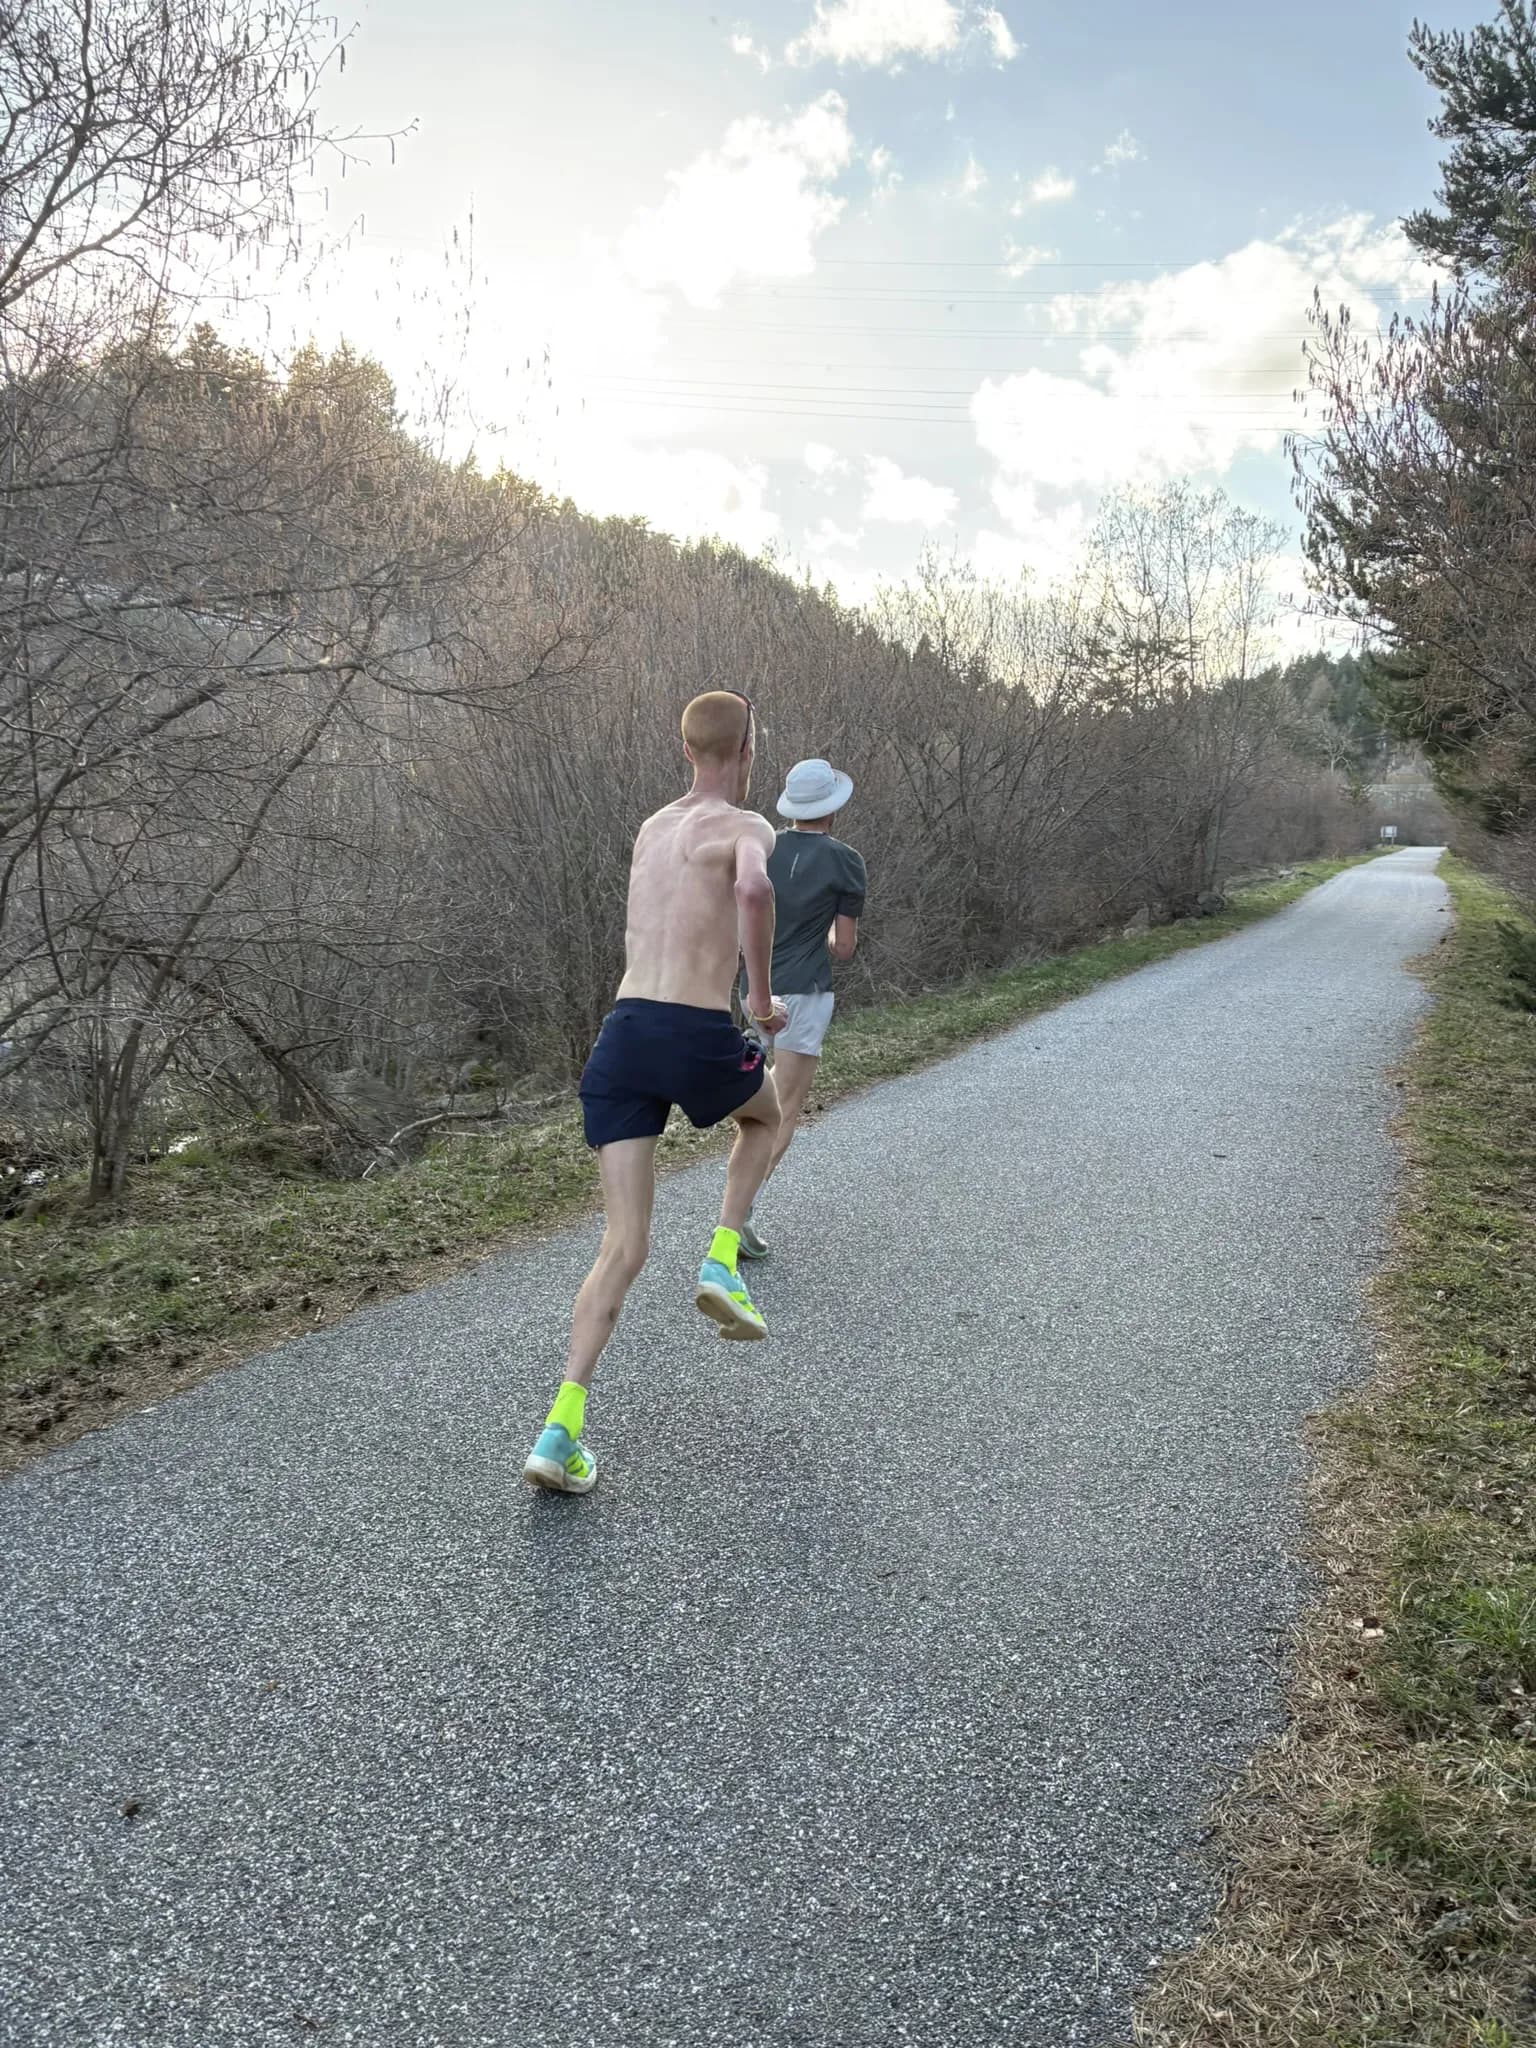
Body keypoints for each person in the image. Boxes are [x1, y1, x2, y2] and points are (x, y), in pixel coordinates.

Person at [522, 690, 787, 1496]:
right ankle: (722, 1258)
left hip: (624, 1031)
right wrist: (761, 999)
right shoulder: (749, 828)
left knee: (622, 1247)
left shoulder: (651, 827)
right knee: (767, 1116)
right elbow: (753, 892)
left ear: (685, 751)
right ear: (748, 751)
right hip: (694, 1026)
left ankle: (560, 1430)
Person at [737, 756, 866, 1261]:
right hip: (806, 994)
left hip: (756, 990)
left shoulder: (758, 846)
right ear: (832, 809)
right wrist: (828, 930)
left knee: (754, 1104)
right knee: (784, 1108)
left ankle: (738, 1206)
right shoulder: (846, 861)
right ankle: (740, 1210)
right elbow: (844, 948)